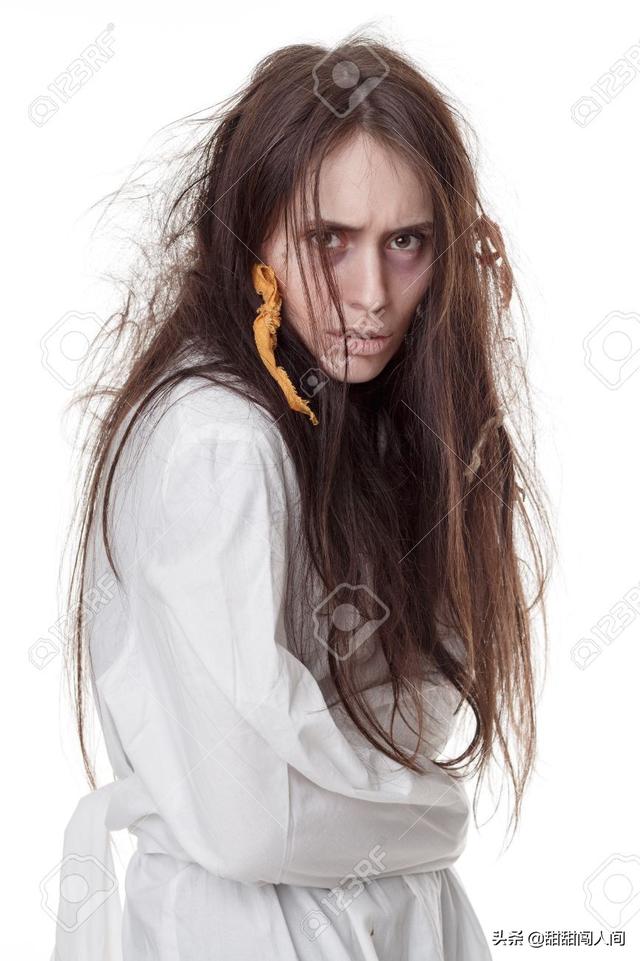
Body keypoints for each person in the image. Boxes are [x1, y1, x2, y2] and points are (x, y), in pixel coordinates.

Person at [47, 31, 554, 961]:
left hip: (399, 923)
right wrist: (436, 815)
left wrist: (368, 788)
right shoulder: (218, 440)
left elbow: (423, 711)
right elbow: (255, 817)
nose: (372, 295)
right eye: (330, 240)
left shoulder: (366, 421)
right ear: (256, 233)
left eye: (406, 242)